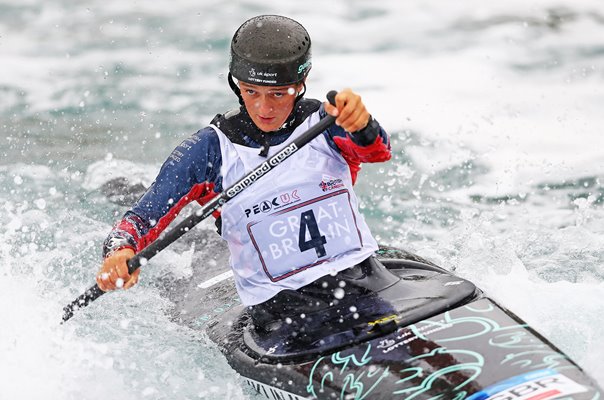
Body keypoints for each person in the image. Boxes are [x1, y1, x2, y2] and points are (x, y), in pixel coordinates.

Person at [96, 15, 392, 325]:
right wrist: (118, 253)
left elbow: (376, 152)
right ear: (236, 85)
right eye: (251, 92)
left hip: (368, 283)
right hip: (282, 312)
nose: (264, 109)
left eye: (278, 94)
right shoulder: (209, 150)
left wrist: (362, 124)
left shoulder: (328, 123)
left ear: (300, 85)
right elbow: (141, 219)